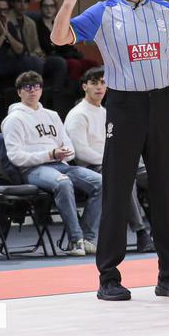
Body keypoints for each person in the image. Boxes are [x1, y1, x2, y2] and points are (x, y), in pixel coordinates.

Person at [50, 0, 169, 302]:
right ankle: (109, 278)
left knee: (165, 189)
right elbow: (57, 38)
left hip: (161, 104)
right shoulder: (103, 12)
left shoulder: (166, 11)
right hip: (125, 106)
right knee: (116, 190)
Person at [2, 70, 103, 256]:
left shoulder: (52, 115)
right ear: (19, 92)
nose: (32, 91)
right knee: (63, 182)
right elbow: (16, 157)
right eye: (27, 87)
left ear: (41, 90)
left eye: (36, 87)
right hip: (33, 169)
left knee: (102, 183)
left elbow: (69, 145)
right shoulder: (13, 119)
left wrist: (64, 153)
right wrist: (49, 154)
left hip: (60, 164)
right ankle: (76, 240)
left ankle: (88, 237)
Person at [64, 67, 155, 254]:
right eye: (94, 83)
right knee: (125, 178)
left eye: (103, 83)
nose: (99, 87)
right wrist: (116, 160)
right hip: (94, 166)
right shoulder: (77, 114)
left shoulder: (107, 111)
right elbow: (80, 152)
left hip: (118, 161)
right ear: (84, 87)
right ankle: (141, 232)